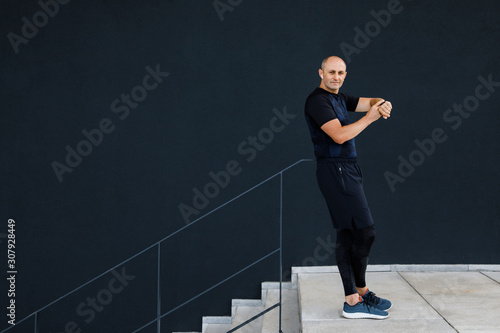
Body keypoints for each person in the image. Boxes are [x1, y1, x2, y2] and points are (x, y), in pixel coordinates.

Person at [304, 56, 393, 319]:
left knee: (348, 232)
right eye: (331, 72)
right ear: (320, 72)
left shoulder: (340, 98)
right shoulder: (317, 101)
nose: (336, 77)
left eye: (341, 72)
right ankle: (357, 296)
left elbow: (372, 101)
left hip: (347, 168)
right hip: (335, 169)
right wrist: (370, 118)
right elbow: (339, 135)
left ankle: (355, 298)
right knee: (365, 232)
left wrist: (382, 105)